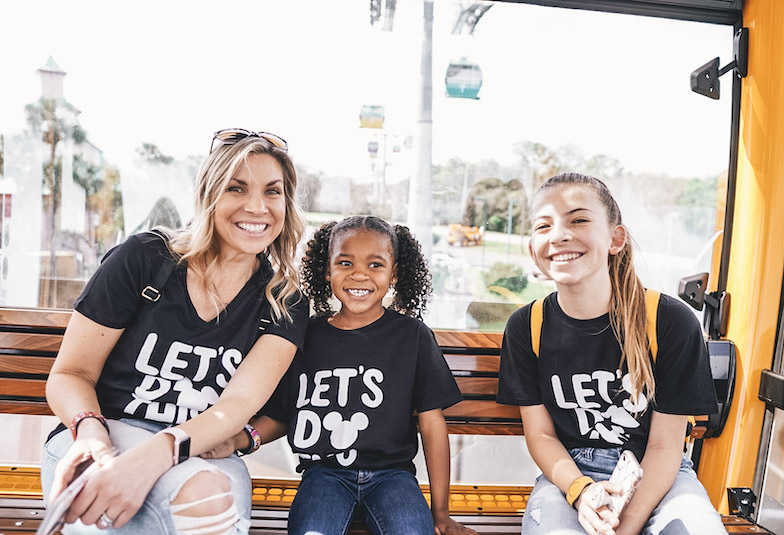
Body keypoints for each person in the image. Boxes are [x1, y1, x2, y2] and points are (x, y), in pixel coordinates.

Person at [41, 128, 310, 534]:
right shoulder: (146, 260)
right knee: (108, 489)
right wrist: (91, 435)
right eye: (237, 188)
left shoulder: (283, 300)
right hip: (104, 431)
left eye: (273, 192)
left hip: (202, 453)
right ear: (209, 195)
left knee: (204, 495)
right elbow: (71, 374)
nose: (257, 206)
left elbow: (234, 406)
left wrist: (158, 454)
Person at [206, 215, 477, 535]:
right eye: (345, 262)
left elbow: (432, 424)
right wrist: (239, 440)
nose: (359, 274)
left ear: (394, 274)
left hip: (393, 476)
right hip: (324, 475)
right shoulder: (304, 336)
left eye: (375, 264)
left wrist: (441, 513)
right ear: (327, 270)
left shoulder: (412, 336)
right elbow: (282, 414)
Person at [496, 172, 726, 535]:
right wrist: (580, 491)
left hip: (658, 475)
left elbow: (666, 445)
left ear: (615, 238)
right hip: (570, 474)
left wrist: (628, 523)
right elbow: (541, 436)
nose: (559, 235)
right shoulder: (527, 326)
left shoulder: (668, 321)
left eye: (579, 220)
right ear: (532, 249)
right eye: (544, 226)